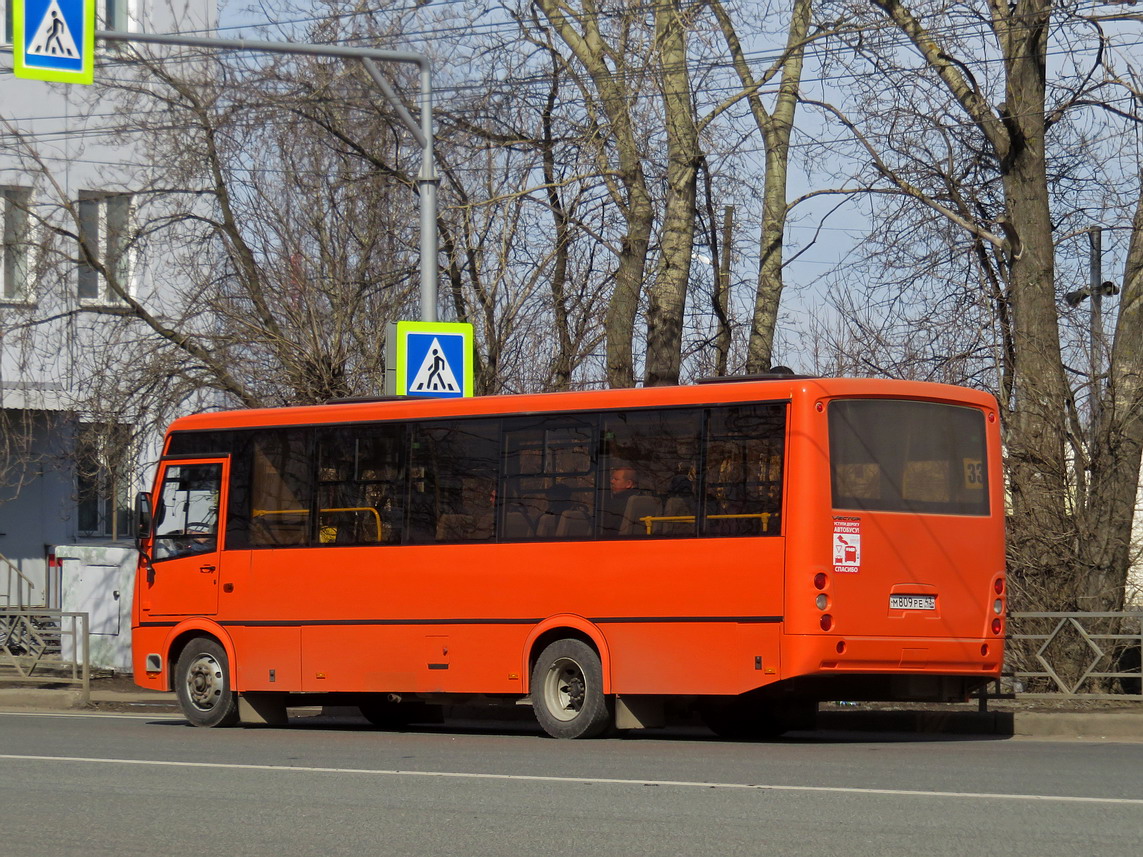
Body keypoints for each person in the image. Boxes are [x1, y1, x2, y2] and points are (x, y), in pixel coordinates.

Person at [600, 463, 638, 534]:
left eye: (616, 479)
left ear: (628, 484)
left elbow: (606, 529)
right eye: (612, 479)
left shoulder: (619, 504)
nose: (612, 482)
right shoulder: (640, 500)